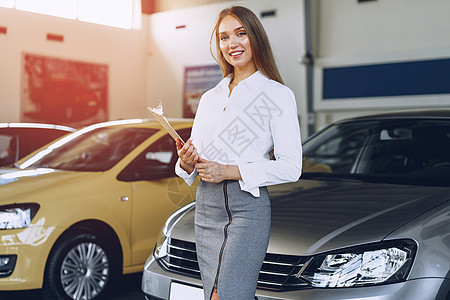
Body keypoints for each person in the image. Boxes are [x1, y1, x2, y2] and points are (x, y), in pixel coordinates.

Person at [175, 5, 302, 300]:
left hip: (247, 210)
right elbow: (192, 166)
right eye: (224, 38)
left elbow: (291, 167)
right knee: (213, 293)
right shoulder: (209, 98)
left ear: (255, 37)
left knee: (228, 294)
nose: (232, 44)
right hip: (206, 208)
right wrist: (186, 161)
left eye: (240, 34)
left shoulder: (277, 95)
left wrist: (230, 170)